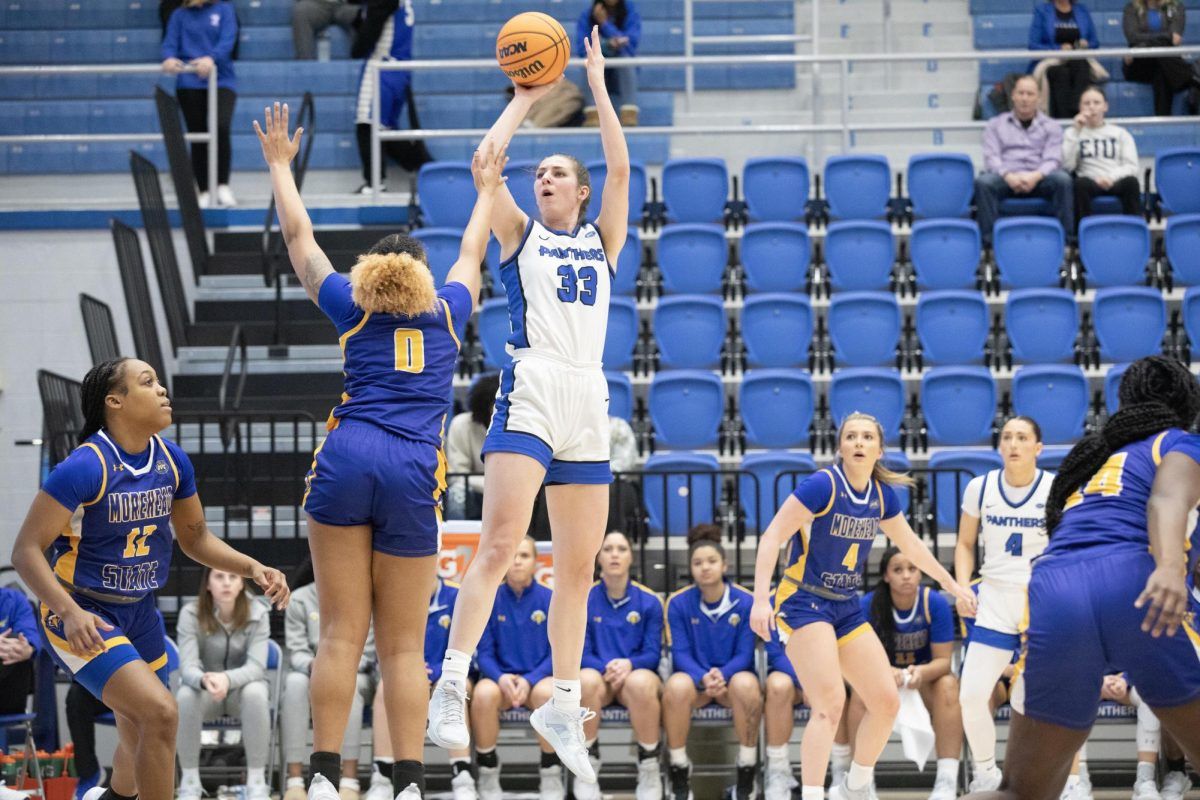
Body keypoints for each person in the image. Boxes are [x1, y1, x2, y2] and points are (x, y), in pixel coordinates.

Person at [255, 101, 495, 799]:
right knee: (402, 647)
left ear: (371, 271)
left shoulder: (353, 308)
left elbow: (299, 239)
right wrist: (485, 192)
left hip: (349, 453)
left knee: (338, 634)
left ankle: (324, 777)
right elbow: (473, 254)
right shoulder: (448, 311)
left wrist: (280, 167)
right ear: (421, 275)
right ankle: (410, 781)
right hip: (414, 466)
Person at [427, 25, 631, 786]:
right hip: (534, 385)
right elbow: (487, 164)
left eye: (557, 173)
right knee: (500, 543)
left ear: (580, 193)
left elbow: (620, 166)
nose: (544, 177)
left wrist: (599, 87)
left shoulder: (604, 239)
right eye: (539, 172)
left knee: (575, 569)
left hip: (588, 393)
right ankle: (451, 684)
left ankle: (563, 703)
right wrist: (523, 98)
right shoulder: (520, 237)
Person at [10, 357, 289, 800]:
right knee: (160, 713)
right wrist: (69, 611)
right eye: (148, 382)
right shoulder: (85, 467)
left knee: (139, 733)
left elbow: (196, 539)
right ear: (115, 401)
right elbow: (25, 551)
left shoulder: (172, 460)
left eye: (159, 381)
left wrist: (251, 567)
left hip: (140, 610)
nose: (162, 390)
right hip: (83, 610)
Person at [961, 355, 1200, 800]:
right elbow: (1166, 501)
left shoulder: (1093, 458)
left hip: (1054, 590)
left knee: (1019, 793)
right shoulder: (1179, 443)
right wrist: (1170, 567)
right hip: (1136, 582)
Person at [749, 412, 976, 800]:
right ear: (840, 446)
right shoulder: (823, 485)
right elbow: (771, 537)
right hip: (803, 601)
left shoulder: (881, 495)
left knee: (886, 702)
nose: (858, 442)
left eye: (867, 437)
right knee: (829, 704)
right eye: (851, 436)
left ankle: (853, 788)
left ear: (879, 449)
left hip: (845, 605)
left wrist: (951, 583)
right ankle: (813, 795)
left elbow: (912, 546)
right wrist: (759, 599)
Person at [953, 416, 1053, 791]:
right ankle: (986, 774)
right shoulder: (980, 487)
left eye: (1022, 437)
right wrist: (963, 587)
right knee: (971, 696)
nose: (1013, 444)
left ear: (1038, 447)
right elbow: (964, 544)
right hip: (993, 599)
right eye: (1007, 437)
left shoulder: (1054, 488)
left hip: (1039, 602)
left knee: (1035, 700)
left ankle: (1050, 780)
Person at [664, 525, 763, 800]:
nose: (705, 568)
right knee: (675, 685)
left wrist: (722, 675)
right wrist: (703, 677)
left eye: (711, 561)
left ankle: (747, 771)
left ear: (724, 565)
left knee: (747, 684)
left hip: (732, 685)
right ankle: (679, 769)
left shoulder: (746, 601)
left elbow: (745, 654)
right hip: (697, 686)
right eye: (697, 563)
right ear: (691, 568)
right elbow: (680, 654)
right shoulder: (677, 603)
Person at [856, 548, 961, 800]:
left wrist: (921, 672)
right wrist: (885, 672)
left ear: (920, 573)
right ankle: (861, 782)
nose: (906, 576)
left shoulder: (933, 603)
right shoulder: (868, 605)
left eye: (912, 569)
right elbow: (857, 659)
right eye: (898, 570)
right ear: (886, 576)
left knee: (948, 685)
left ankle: (947, 780)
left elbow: (944, 662)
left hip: (921, 683)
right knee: (858, 693)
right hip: (882, 683)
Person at [365, 577, 476, 800]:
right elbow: (382, 646)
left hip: (450, 673)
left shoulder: (457, 595)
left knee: (453, 688)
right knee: (386, 687)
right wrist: (412, 671)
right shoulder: (394, 594)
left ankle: (463, 778)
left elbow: (471, 647)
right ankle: (382, 777)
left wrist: (436, 672)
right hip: (405, 672)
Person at [577, 530, 664, 800]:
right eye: (608, 549)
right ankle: (587, 764)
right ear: (598, 558)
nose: (615, 554)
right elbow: (580, 653)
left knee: (641, 683)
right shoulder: (583, 598)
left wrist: (629, 664)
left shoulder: (650, 601)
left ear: (631, 557)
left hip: (634, 677)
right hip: (599, 678)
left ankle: (649, 764)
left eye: (621, 549)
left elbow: (653, 654)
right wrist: (608, 668)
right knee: (584, 680)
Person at [470, 536, 559, 800]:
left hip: (539, 679)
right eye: (512, 555)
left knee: (547, 694)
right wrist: (501, 678)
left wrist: (530, 679)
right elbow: (484, 653)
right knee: (483, 694)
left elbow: (557, 652)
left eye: (524, 555)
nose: (517, 561)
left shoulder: (551, 599)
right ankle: (487, 770)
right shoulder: (490, 597)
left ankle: (550, 772)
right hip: (502, 681)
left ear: (536, 563)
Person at [281, 559, 377, 800]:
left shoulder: (362, 597)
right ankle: (294, 780)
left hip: (355, 672)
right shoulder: (299, 599)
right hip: (310, 672)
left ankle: (349, 780)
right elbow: (296, 651)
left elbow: (368, 653)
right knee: (294, 684)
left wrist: (338, 669)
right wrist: (314, 665)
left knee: (348, 685)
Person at [175, 567, 274, 800]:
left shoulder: (258, 613)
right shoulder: (190, 613)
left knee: (257, 692)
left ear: (241, 584)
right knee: (185, 695)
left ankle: (257, 782)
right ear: (208, 584)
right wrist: (204, 679)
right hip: (207, 692)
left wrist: (227, 679)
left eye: (233, 577)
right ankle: (189, 782)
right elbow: (187, 666)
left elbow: (256, 667)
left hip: (242, 694)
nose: (226, 583)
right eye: (219, 577)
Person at [976, 75, 1074, 245]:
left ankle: (1066, 243)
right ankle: (988, 245)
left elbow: (1053, 159)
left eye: (1030, 94)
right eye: (1021, 93)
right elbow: (991, 157)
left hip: (1040, 178)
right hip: (1006, 178)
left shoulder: (1052, 126)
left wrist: (1035, 176)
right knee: (983, 183)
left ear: (1038, 98)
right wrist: (1008, 176)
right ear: (1013, 96)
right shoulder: (995, 124)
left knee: (1063, 180)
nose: (1025, 98)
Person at [161, 0, 239, 208]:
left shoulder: (225, 10)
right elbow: (169, 43)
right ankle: (204, 188)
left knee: (221, 127)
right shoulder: (179, 15)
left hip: (221, 80)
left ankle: (222, 184)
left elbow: (228, 41)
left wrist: (211, 58)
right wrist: (168, 58)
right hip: (189, 82)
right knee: (198, 134)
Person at [352, 0, 432, 194]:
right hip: (400, 70)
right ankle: (426, 166)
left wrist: (357, 47)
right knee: (386, 129)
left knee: (366, 123)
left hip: (382, 66)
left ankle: (374, 184)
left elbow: (370, 32)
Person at [1063, 86, 1143, 222]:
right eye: (1086, 103)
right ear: (1080, 108)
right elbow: (1067, 166)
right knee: (1080, 184)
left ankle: (1134, 228)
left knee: (1132, 182)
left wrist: (1110, 177)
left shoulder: (1120, 133)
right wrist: (1076, 132)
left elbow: (1132, 166)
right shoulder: (1071, 133)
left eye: (1096, 103)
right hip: (1089, 181)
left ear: (1105, 106)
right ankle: (1081, 232)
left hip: (1115, 180)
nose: (1091, 107)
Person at [763, 590, 805, 800]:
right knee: (777, 686)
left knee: (838, 686)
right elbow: (775, 652)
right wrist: (806, 681)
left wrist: (817, 681)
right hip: (791, 675)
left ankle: (841, 772)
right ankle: (777, 770)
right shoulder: (772, 600)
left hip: (824, 672)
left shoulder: (834, 589)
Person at [1028, 0, 1101, 118]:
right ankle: (1067, 119)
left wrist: (1086, 44)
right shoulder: (1042, 11)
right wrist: (1058, 48)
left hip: (1077, 58)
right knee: (1061, 73)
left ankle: (1077, 111)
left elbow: (1095, 42)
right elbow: (1033, 45)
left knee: (1080, 64)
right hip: (1052, 61)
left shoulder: (1082, 10)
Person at [1123, 0, 1195, 117]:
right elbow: (1132, 37)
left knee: (1161, 68)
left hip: (1164, 63)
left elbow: (1176, 39)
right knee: (1163, 54)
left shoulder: (1176, 7)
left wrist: (1142, 45)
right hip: (1138, 62)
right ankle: (1192, 78)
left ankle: (1162, 119)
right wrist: (1165, 38)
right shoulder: (1131, 8)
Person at [576, 0, 642, 126]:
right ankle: (593, 114)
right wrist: (607, 45)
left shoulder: (630, 12)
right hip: (598, 73)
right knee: (589, 61)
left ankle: (629, 113)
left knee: (625, 60)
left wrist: (605, 24)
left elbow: (630, 47)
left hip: (621, 75)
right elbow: (582, 49)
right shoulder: (588, 15)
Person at [445, 373, 499, 520]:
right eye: (496, 404)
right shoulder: (461, 425)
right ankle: (458, 533)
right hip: (474, 494)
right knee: (457, 494)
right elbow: (458, 476)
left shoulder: (519, 428)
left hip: (511, 493)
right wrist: (496, 486)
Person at [0, 585, 41, 714]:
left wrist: (26, 649)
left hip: (9, 691)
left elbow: (31, 638)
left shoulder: (15, 600)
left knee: (15, 641)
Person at [293, 0, 361, 60]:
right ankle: (306, 64)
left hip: (345, 6)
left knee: (362, 14)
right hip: (316, 4)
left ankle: (362, 66)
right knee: (301, 11)